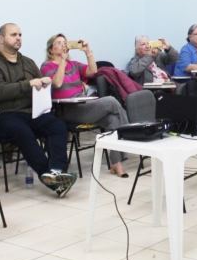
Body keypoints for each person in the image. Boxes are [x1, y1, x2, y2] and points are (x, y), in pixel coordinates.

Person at [0, 23, 76, 197]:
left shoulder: (27, 62)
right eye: (13, 34)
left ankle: (58, 172)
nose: (18, 38)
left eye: (20, 34)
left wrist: (44, 83)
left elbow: (38, 84)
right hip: (0, 115)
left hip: (29, 112)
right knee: (22, 131)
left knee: (57, 126)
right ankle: (50, 177)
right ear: (0, 39)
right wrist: (28, 84)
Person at [41, 34, 130, 177]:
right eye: (58, 43)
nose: (63, 44)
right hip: (66, 109)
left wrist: (88, 52)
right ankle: (130, 137)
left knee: (112, 120)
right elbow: (57, 83)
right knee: (111, 101)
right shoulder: (47, 66)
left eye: (65, 42)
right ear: (51, 49)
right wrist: (62, 61)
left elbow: (93, 71)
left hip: (82, 104)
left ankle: (116, 163)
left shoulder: (74, 64)